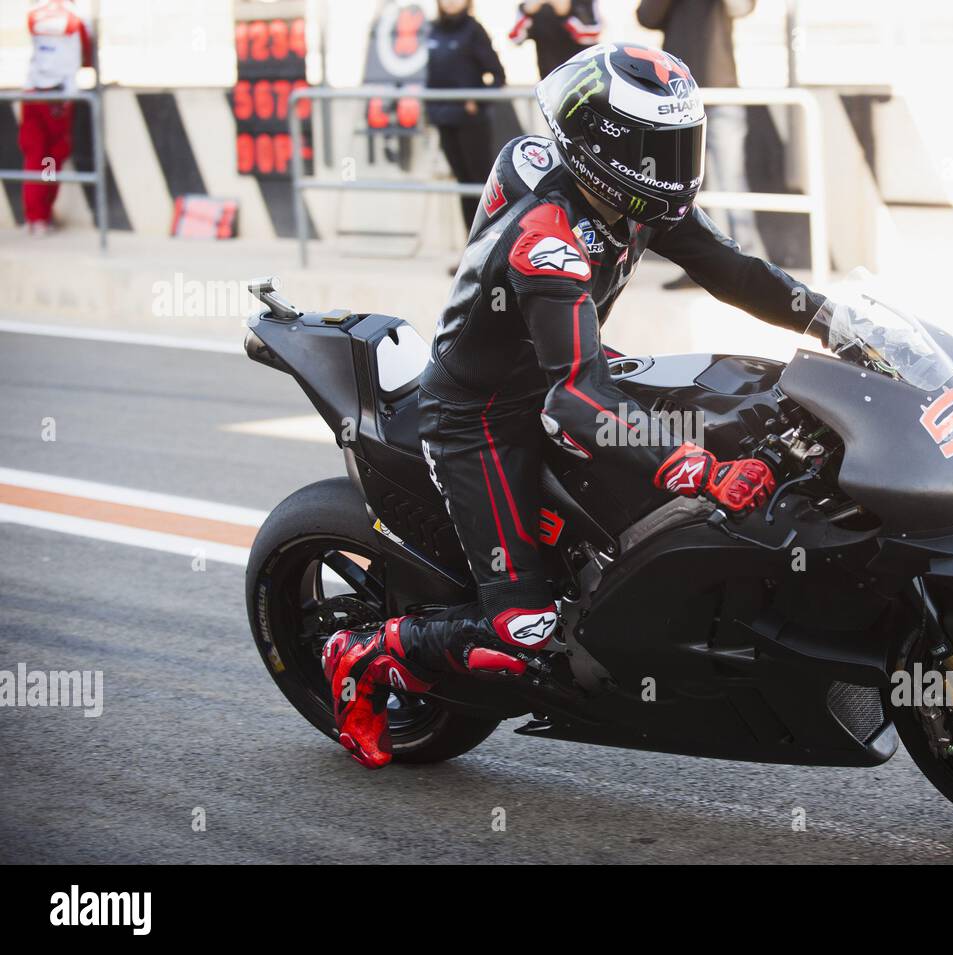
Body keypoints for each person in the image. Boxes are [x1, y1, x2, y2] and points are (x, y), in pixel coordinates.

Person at [323, 42, 826, 770]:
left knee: (742, 407)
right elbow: (577, 399)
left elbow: (732, 269)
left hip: (568, 360)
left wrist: (831, 320)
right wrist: (698, 468)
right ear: (603, 150)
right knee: (523, 630)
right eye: (659, 148)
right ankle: (368, 652)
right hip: (485, 416)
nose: (675, 165)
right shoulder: (547, 239)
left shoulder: (627, 193)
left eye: (684, 142)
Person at [636, 0, 765, 287]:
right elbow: (646, 16)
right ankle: (701, 265)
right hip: (678, 100)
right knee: (686, 186)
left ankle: (750, 265)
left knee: (731, 178)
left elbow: (742, 8)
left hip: (721, 93)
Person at [424, 0, 505, 232]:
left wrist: (476, 102)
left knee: (482, 188)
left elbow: (498, 76)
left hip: (471, 123)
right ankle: (471, 253)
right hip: (443, 119)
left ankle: (492, 251)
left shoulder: (474, 31)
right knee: (463, 187)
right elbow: (431, 76)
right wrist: (430, 110)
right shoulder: (433, 30)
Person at [18, 0, 92, 237]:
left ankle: (36, 216)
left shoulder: (34, 14)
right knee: (50, 158)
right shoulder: (76, 18)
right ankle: (43, 214)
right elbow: (86, 57)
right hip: (58, 99)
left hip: (32, 95)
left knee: (35, 156)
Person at [507, 0, 602, 79]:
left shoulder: (585, 3)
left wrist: (565, 15)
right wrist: (527, 13)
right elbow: (515, 38)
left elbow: (592, 35)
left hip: (584, 78)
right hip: (549, 80)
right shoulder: (533, 6)